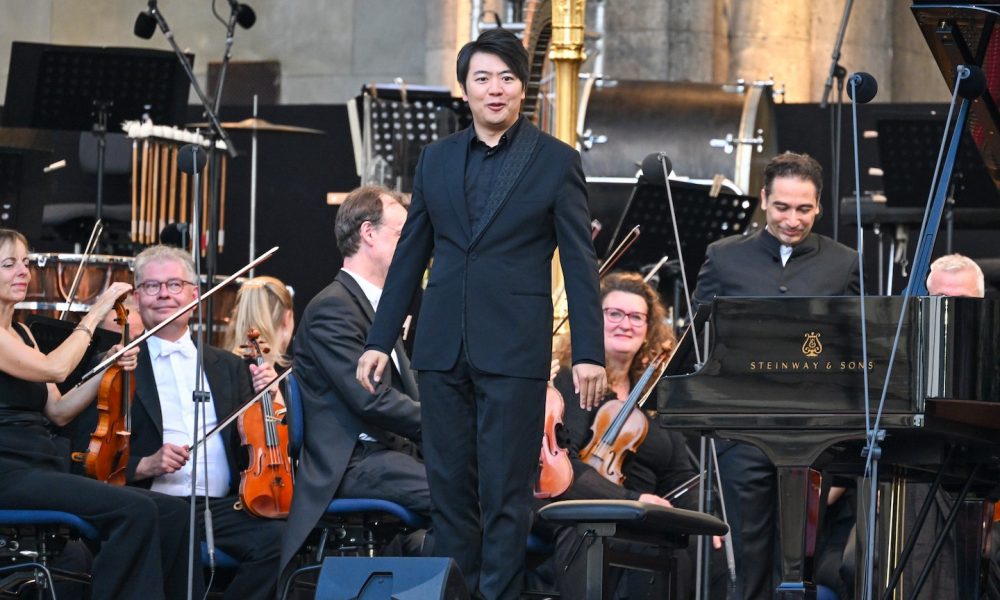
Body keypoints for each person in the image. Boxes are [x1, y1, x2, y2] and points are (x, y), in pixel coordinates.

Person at [356, 28, 607, 600]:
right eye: (482, 79)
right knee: (448, 494)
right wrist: (378, 338)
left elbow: (579, 260)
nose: (495, 89)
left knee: (504, 494)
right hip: (442, 348)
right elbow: (411, 253)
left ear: (523, 89)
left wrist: (589, 351)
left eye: (507, 78)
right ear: (464, 90)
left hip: (514, 349)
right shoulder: (436, 160)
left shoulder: (556, 161)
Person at [70, 245, 286, 600]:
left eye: (174, 284)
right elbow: (83, 456)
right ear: (137, 298)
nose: (165, 295)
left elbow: (265, 439)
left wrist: (272, 395)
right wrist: (145, 464)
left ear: (195, 294)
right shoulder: (115, 365)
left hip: (221, 507)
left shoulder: (230, 367)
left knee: (280, 541)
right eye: (153, 287)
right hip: (151, 507)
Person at [691, 151, 860, 600]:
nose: (792, 219)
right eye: (782, 207)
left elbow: (856, 345)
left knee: (798, 557)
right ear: (764, 199)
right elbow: (697, 334)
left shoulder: (843, 262)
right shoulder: (724, 257)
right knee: (746, 554)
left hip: (812, 433)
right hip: (741, 429)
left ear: (819, 206)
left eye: (804, 209)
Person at [0, 228, 194, 600]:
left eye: (25, 262)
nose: (23, 271)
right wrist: (96, 312)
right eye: (9, 264)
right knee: (133, 510)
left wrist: (108, 367)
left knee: (173, 513)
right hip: (8, 471)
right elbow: (56, 370)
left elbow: (58, 409)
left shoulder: (22, 332)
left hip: (40, 468)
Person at [279, 185, 428, 582]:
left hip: (391, 457)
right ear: (368, 233)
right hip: (353, 465)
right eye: (403, 234)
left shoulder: (380, 307)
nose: (413, 244)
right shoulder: (334, 308)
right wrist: (447, 422)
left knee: (488, 486)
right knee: (462, 495)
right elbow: (373, 402)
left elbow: (407, 394)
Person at [546, 271, 724, 599]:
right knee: (624, 541)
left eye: (636, 317)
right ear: (592, 321)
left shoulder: (653, 401)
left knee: (707, 546)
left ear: (648, 329)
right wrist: (630, 500)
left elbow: (680, 474)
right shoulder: (570, 384)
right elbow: (563, 467)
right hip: (586, 508)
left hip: (645, 515)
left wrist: (701, 516)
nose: (625, 323)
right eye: (614, 314)